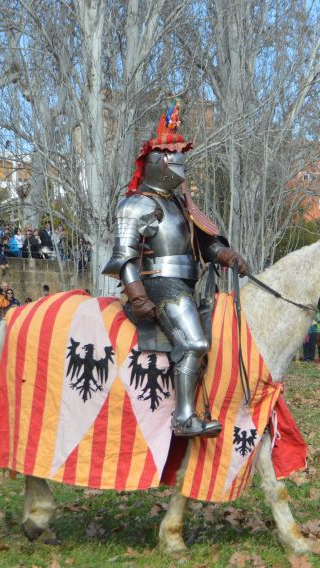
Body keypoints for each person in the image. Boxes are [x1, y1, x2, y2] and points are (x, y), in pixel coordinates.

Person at [105, 103, 253, 438]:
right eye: (175, 160)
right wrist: (137, 294)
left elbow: (202, 244)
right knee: (195, 343)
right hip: (159, 284)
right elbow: (123, 257)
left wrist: (226, 254)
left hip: (188, 283)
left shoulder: (180, 203)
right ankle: (184, 418)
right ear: (158, 164)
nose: (180, 167)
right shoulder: (137, 204)